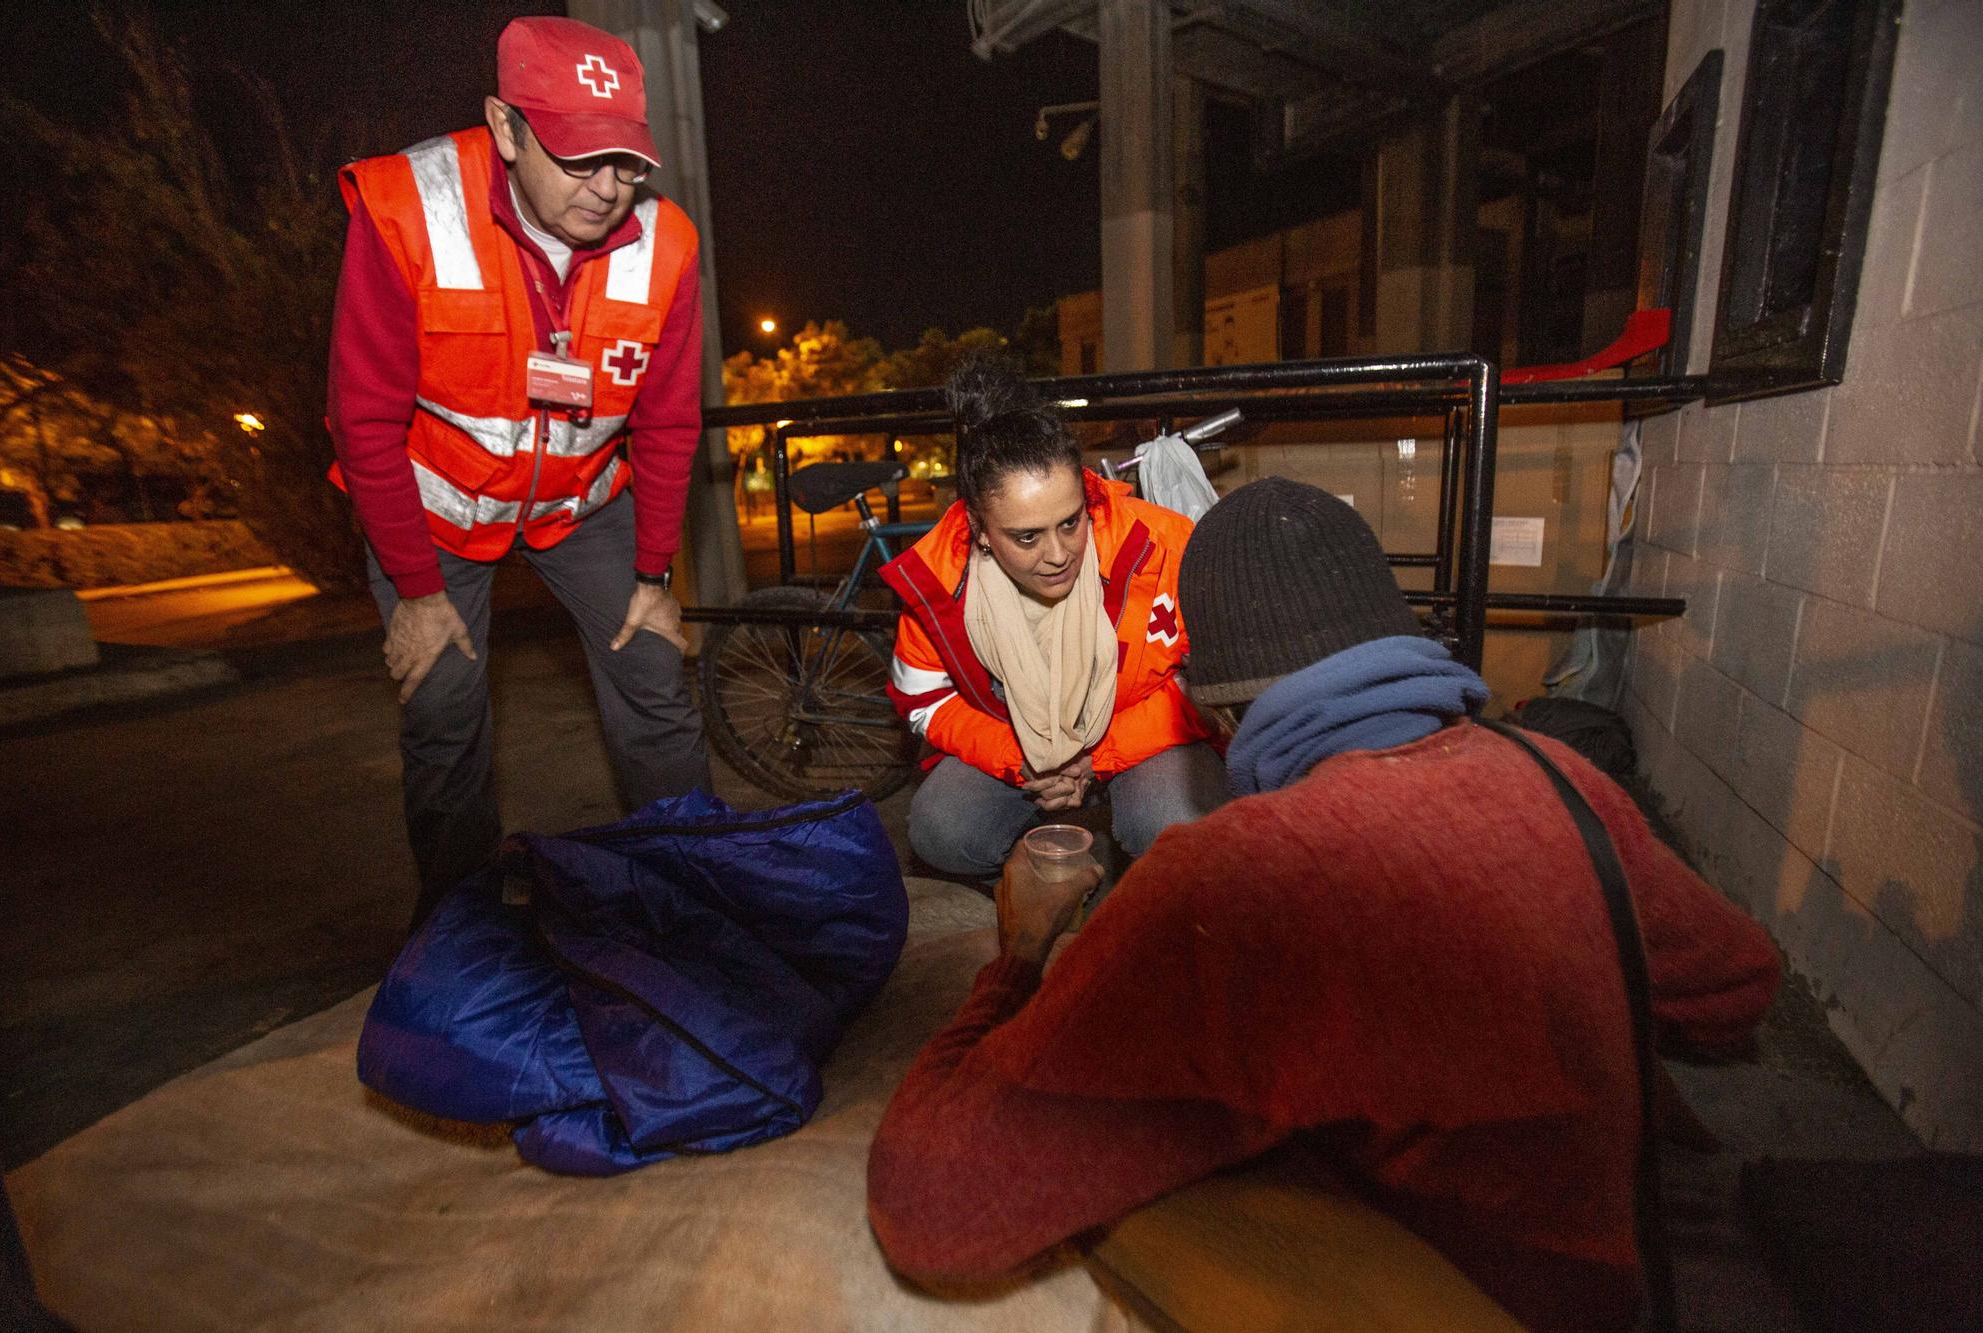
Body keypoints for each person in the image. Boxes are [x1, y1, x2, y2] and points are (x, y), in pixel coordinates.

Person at [866, 478, 1781, 1332]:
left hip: (1449, 1299)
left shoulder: (1234, 878)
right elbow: (1737, 984)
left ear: (1218, 712)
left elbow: (930, 1207)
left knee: (1141, 1178)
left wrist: (1017, 960)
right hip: (1626, 1290)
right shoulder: (1566, 777)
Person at [327, 16, 712, 928]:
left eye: (626, 162)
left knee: (651, 662)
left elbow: (665, 423)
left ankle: (698, 886)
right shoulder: (406, 211)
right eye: (579, 160)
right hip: (436, 511)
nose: (609, 190)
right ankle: (464, 929)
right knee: (444, 697)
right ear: (505, 128)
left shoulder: (667, 247)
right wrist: (418, 592)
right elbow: (363, 419)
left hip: (578, 504)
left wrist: (655, 577)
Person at [880, 357, 1227, 880]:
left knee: (1175, 821)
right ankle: (1043, 891)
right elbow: (923, 702)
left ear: (1087, 499)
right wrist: (1017, 758)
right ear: (979, 529)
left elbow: (1214, 681)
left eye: (1071, 522)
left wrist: (1098, 756)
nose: (1059, 553)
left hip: (1143, 740)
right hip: (1017, 748)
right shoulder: (939, 582)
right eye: (1027, 537)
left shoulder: (1163, 545)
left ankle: (1145, 910)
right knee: (940, 828)